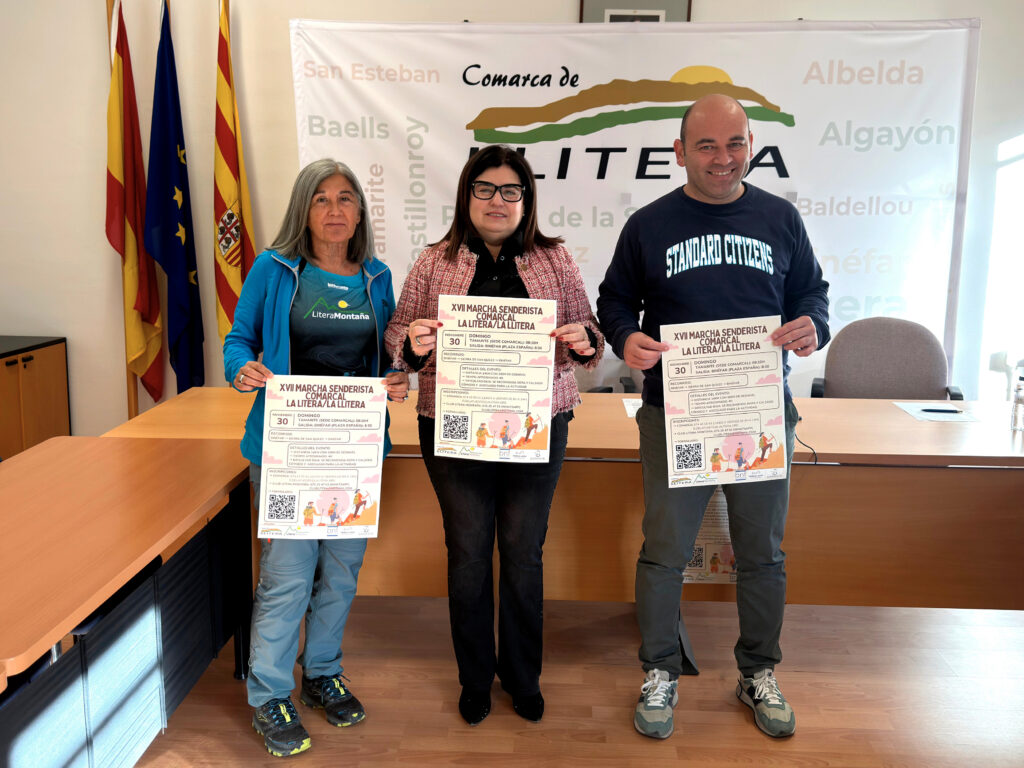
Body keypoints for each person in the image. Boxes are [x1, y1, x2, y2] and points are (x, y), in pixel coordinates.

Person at [597, 94, 830, 741]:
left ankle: (757, 672)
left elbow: (811, 291)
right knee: (665, 553)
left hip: (758, 412)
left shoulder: (780, 218)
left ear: (751, 146)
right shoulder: (648, 226)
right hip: (675, 414)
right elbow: (615, 299)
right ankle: (660, 671)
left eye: (735, 144)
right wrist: (624, 337)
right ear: (679, 152)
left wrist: (816, 325)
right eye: (707, 145)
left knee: (762, 553)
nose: (723, 159)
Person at [384, 144, 604, 726]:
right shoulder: (435, 261)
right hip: (454, 430)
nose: (497, 201)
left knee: (525, 554)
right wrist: (413, 344)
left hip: (538, 427)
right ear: (467, 196)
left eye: (511, 191)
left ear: (526, 200)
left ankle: (523, 676)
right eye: (485, 189)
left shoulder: (553, 259)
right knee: (468, 554)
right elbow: (397, 337)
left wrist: (584, 339)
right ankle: (476, 677)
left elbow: (590, 335)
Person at [223, 158, 409, 757]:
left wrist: (397, 379)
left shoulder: (377, 277)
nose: (335, 210)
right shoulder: (275, 270)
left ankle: (322, 672)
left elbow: (385, 359)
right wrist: (240, 370)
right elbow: (238, 340)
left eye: (346, 199)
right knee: (286, 577)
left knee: (341, 574)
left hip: (354, 450)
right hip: (289, 449)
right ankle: (268, 693)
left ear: (360, 211)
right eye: (322, 199)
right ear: (304, 209)